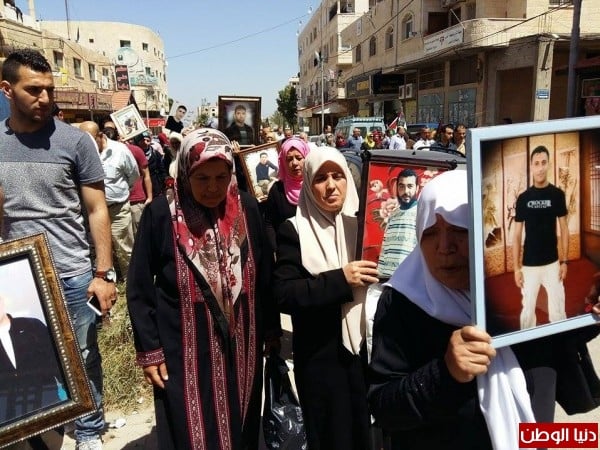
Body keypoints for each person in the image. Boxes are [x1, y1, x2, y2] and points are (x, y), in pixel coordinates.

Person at [368, 170, 564, 449]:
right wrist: (445, 373)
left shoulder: (521, 288)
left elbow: (561, 348)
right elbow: (384, 406)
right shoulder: (402, 302)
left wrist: (588, 310)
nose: (444, 247)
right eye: (430, 233)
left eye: (460, 230)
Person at [126, 128, 281, 450]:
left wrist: (271, 329)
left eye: (221, 177)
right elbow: (140, 286)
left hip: (243, 342)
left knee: (241, 419)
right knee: (191, 424)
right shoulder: (162, 214)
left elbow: (264, 272)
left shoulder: (247, 208)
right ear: (186, 173)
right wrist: (150, 351)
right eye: (202, 178)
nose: (213, 188)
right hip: (184, 346)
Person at [0, 49, 116, 449]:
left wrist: (103, 274)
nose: (45, 98)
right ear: (7, 89)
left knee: (82, 357)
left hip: (72, 274)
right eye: (34, 90)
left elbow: (97, 209)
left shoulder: (76, 142)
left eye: (49, 89)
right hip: (17, 279)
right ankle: (38, 429)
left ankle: (89, 432)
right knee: (26, 361)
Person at [273, 147, 379, 450]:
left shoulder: (367, 226)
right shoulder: (294, 230)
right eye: (320, 178)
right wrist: (340, 280)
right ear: (308, 184)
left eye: (337, 176)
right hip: (322, 359)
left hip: (368, 353)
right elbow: (284, 293)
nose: (331, 186)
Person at [513, 145, 568, 330]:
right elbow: (517, 235)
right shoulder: (523, 198)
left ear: (548, 164)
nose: (540, 167)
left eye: (544, 162)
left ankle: (561, 340)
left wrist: (564, 261)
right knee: (527, 314)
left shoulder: (557, 195)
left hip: (553, 262)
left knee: (558, 311)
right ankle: (527, 344)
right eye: (536, 163)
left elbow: (564, 229)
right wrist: (516, 268)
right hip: (529, 265)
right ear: (531, 166)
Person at [80, 121, 139, 279]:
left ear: (100, 135)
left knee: (124, 246)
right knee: (100, 247)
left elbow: (133, 175)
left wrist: (120, 192)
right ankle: (107, 279)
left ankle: (129, 279)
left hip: (117, 209)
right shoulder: (80, 152)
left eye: (91, 140)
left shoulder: (120, 150)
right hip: (92, 211)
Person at [0, 294, 66, 424]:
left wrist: (73, 404)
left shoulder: (33, 326)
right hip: (10, 421)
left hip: (49, 409)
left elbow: (58, 364)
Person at [264, 137, 310, 253]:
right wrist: (277, 250)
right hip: (288, 254)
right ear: (283, 163)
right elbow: (269, 223)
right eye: (289, 159)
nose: (294, 163)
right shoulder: (277, 190)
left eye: (299, 158)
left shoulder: (315, 185)